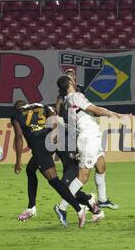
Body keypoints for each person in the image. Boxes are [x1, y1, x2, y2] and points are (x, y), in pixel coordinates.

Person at [54, 75, 125, 226]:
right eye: (72, 79)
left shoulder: (66, 101)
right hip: (88, 138)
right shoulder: (76, 96)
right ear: (70, 83)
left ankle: (103, 200)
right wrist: (113, 114)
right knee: (82, 177)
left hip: (91, 137)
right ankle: (62, 207)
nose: (75, 80)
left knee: (101, 166)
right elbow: (95, 110)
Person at [11, 100, 92, 228]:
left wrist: (18, 161)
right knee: (31, 169)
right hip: (53, 139)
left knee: (53, 180)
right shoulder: (40, 106)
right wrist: (54, 133)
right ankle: (31, 207)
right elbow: (55, 115)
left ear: (16, 109)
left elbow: (19, 137)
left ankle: (79, 209)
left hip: (39, 144)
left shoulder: (16, 114)